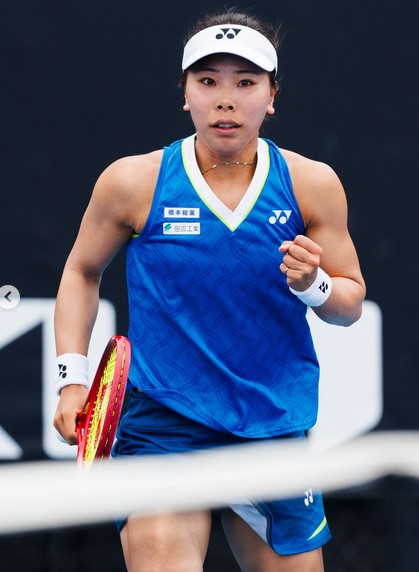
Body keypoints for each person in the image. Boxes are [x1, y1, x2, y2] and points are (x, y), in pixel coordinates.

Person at [53, 8, 365, 572]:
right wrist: (71, 379)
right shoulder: (134, 181)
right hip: (163, 424)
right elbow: (82, 272)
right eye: (207, 81)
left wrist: (314, 284)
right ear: (185, 94)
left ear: (272, 96)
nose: (226, 100)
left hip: (271, 424)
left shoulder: (311, 184)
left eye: (245, 83)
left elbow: (349, 305)